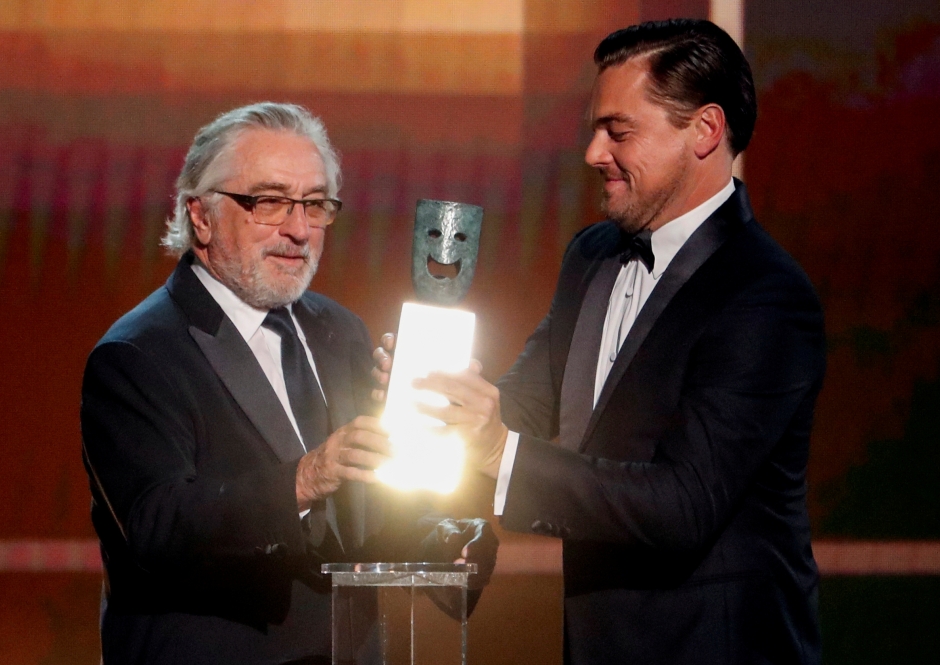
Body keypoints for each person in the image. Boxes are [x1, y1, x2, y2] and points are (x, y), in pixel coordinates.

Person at [376, 19, 825, 665]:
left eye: (619, 131)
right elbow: (522, 406)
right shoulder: (591, 255)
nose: (592, 152)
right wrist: (429, 397)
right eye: (594, 128)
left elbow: (682, 505)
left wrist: (497, 448)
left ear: (704, 131)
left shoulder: (765, 297)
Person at [81, 102, 496, 665]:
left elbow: (359, 521)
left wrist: (447, 523)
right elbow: (158, 527)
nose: (299, 230)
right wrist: (306, 478)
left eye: (315, 204)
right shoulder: (137, 355)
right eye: (270, 202)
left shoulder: (340, 332)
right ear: (200, 216)